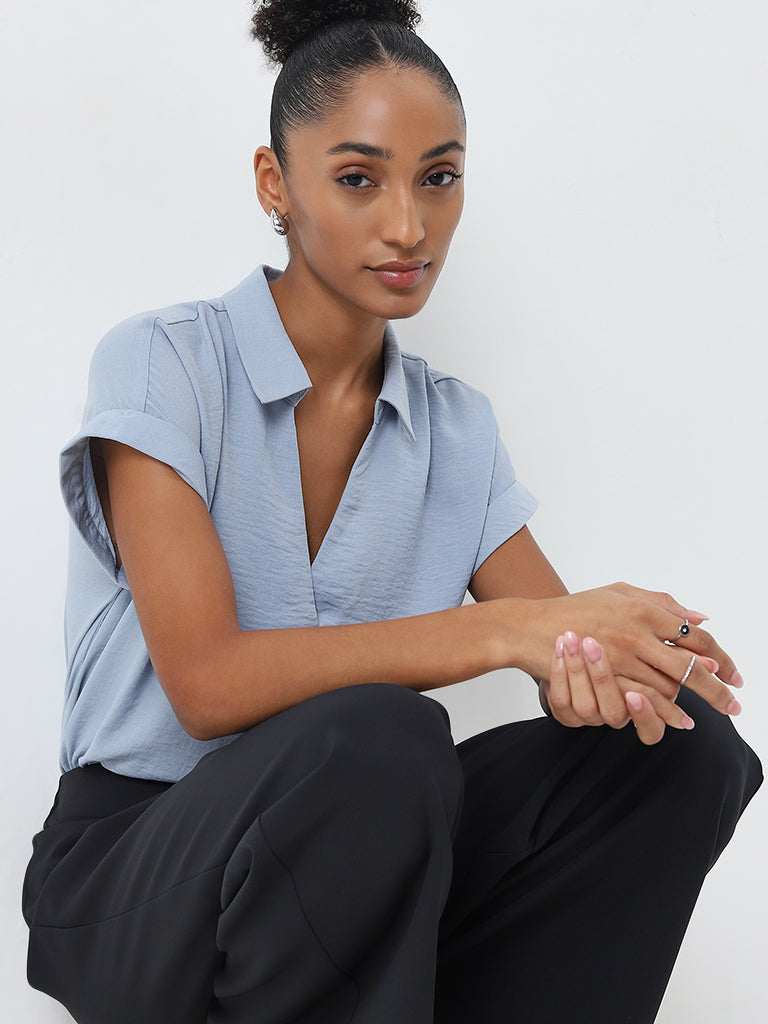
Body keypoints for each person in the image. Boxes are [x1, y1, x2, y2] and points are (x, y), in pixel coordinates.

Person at [22, 2, 761, 1022]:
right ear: (275, 184)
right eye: (360, 179)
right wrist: (505, 629)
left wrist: (621, 667)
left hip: (355, 862)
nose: (409, 225)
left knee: (675, 757)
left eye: (439, 178)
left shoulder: (455, 429)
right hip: (136, 874)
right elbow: (205, 681)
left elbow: (560, 650)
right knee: (380, 735)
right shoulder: (164, 363)